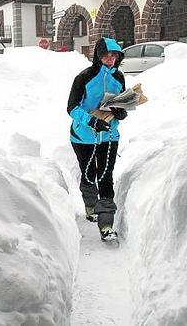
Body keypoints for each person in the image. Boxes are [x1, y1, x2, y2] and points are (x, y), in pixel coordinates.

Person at [67, 37, 127, 242]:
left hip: (109, 136)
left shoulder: (119, 77)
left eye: (114, 56)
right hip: (83, 136)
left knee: (106, 176)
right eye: (105, 55)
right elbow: (72, 108)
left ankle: (106, 224)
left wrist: (121, 112)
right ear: (98, 56)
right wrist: (91, 122)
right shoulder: (83, 77)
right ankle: (91, 204)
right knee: (89, 174)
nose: (110, 59)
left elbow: (120, 102)